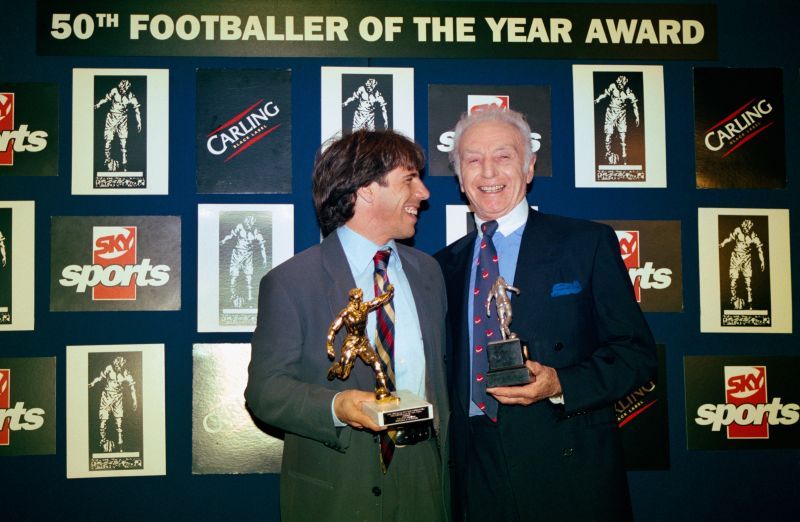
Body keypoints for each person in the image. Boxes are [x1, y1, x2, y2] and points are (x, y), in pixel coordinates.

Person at [434, 107, 657, 521]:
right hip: (473, 470)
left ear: (529, 166)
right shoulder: (442, 266)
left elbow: (636, 355)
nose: (488, 172)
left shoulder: (586, 243)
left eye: (503, 156)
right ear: (459, 177)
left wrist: (559, 384)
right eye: (472, 159)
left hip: (567, 466)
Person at [245, 129, 449, 521]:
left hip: (426, 480)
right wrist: (340, 405)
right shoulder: (290, 283)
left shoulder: (429, 273)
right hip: (338, 489)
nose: (423, 193)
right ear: (367, 189)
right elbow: (266, 392)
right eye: (409, 179)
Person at [88, 355, 137, 452]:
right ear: (114, 364)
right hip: (106, 396)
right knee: (103, 419)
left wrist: (135, 400)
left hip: (118, 398)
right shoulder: (109, 369)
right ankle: (102, 440)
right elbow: (100, 378)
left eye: (120, 366)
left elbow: (132, 388)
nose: (118, 367)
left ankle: (120, 444)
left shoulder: (126, 373)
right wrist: (93, 383)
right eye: (117, 365)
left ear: (122, 365)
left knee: (119, 422)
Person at [94, 79, 142, 172]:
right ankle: (107, 160)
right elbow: (106, 99)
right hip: (111, 118)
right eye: (121, 89)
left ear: (127, 89)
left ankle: (124, 163)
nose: (122, 91)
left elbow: (137, 111)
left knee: (123, 142)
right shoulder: (114, 91)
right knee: (108, 140)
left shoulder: (131, 96)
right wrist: (98, 104)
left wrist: (139, 122)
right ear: (119, 87)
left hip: (123, 119)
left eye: (124, 90)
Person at [220, 215, 267, 307]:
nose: (248, 225)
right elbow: (231, 235)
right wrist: (224, 240)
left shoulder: (256, 232)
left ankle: (250, 298)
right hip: (237, 253)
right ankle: (232, 296)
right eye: (247, 223)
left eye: (250, 223)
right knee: (233, 276)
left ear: (253, 224)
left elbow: (262, 247)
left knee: (248, 277)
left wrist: (264, 258)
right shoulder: (239, 227)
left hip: (248, 255)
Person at [719, 218, 765, 310]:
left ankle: (750, 302)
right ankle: (733, 299)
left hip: (746, 259)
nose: (746, 231)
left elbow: (760, 250)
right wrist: (723, 243)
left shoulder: (753, 236)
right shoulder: (737, 230)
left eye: (748, 229)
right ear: (742, 227)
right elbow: (730, 239)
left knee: (748, 281)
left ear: (750, 229)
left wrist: (762, 261)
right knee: (733, 279)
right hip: (736, 257)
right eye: (744, 229)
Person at [594, 74, 640, 165]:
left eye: (621, 85)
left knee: (623, 136)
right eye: (618, 84)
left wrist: (637, 116)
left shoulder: (628, 92)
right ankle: (608, 153)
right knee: (608, 134)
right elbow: (604, 94)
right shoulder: (612, 86)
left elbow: (635, 105)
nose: (620, 86)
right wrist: (598, 99)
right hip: (611, 112)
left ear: (625, 84)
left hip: (621, 114)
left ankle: (624, 157)